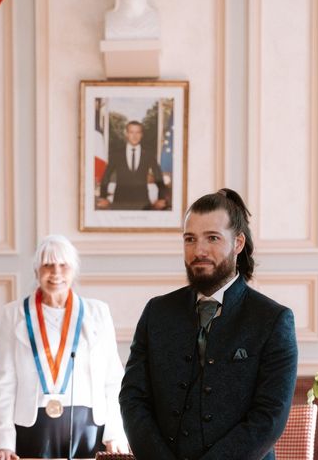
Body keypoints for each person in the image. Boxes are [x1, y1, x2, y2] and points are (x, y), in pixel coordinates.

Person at [119, 188, 298, 460]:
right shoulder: (156, 312)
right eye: (190, 239)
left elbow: (269, 417)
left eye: (212, 238)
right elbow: (132, 399)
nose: (198, 250)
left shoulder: (273, 320)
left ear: (237, 243)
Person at [0, 234, 129, 460]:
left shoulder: (97, 313)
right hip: (32, 426)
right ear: (36, 271)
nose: (56, 272)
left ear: (73, 270)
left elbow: (112, 380)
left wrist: (116, 433)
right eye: (47, 265)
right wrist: (3, 442)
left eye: (63, 265)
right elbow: (5, 383)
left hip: (88, 425)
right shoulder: (13, 314)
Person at [97, 120, 167, 210]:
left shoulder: (148, 153)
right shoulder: (116, 154)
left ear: (142, 134)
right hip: (119, 202)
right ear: (126, 134)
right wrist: (103, 197)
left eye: (138, 132)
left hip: (143, 203)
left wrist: (161, 198)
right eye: (131, 132)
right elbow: (106, 176)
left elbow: (158, 176)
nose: (134, 136)